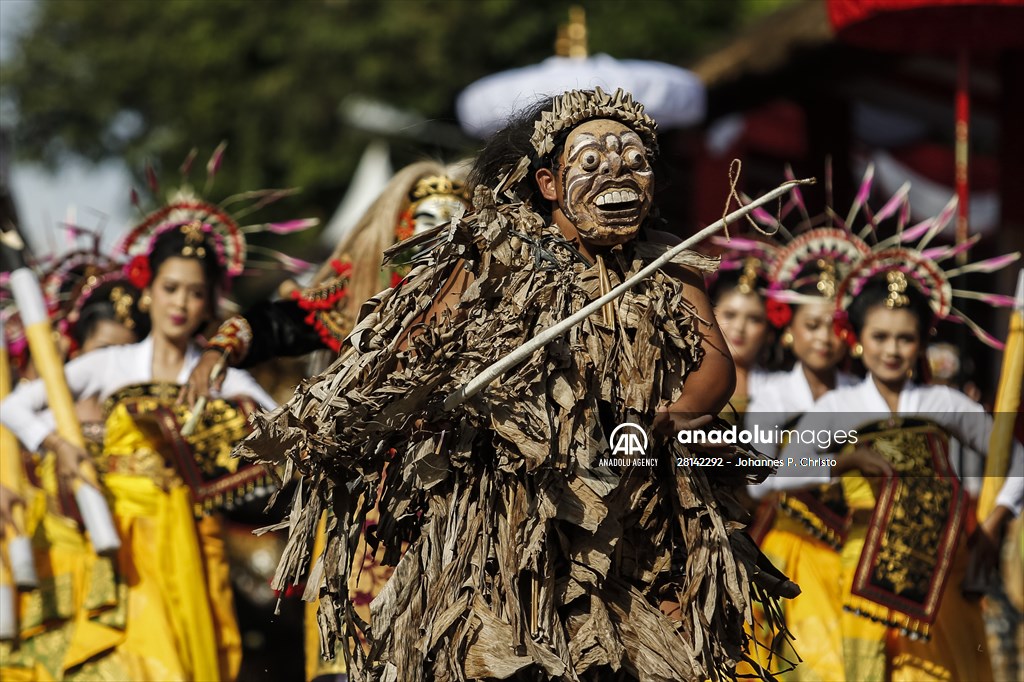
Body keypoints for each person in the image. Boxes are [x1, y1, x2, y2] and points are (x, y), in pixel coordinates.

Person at [241, 87, 790, 681]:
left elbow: (715, 368)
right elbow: (416, 342)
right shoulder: (494, 255)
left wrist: (677, 413)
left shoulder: (672, 266)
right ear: (550, 183)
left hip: (638, 514)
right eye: (593, 163)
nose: (619, 177)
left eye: (635, 162)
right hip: (511, 516)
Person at [179, 161, 471, 682]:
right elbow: (284, 322)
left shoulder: (496, 303)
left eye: (456, 224)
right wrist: (221, 349)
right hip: (373, 505)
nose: (441, 240)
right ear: (403, 230)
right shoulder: (360, 302)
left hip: (469, 501)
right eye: (428, 223)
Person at [1, 209, 277, 681]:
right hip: (119, 537)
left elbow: (284, 440)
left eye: (194, 292)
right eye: (170, 288)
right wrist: (57, 445)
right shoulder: (113, 365)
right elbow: (14, 407)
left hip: (190, 541)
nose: (180, 303)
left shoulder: (225, 378)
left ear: (210, 302)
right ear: (147, 291)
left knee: (187, 659)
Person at [764, 239, 1024, 680]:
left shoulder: (945, 403)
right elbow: (773, 475)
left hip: (941, 581)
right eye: (880, 337)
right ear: (858, 339)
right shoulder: (838, 408)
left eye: (905, 338)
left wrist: (993, 521)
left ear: (923, 342)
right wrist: (844, 465)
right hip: (859, 580)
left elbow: (1015, 460)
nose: (892, 350)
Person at [741, 225, 869, 679]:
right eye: (811, 325)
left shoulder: (865, 394)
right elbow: (760, 477)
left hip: (855, 553)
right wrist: (837, 466)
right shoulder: (772, 394)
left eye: (834, 327)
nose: (823, 338)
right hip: (788, 547)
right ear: (790, 327)